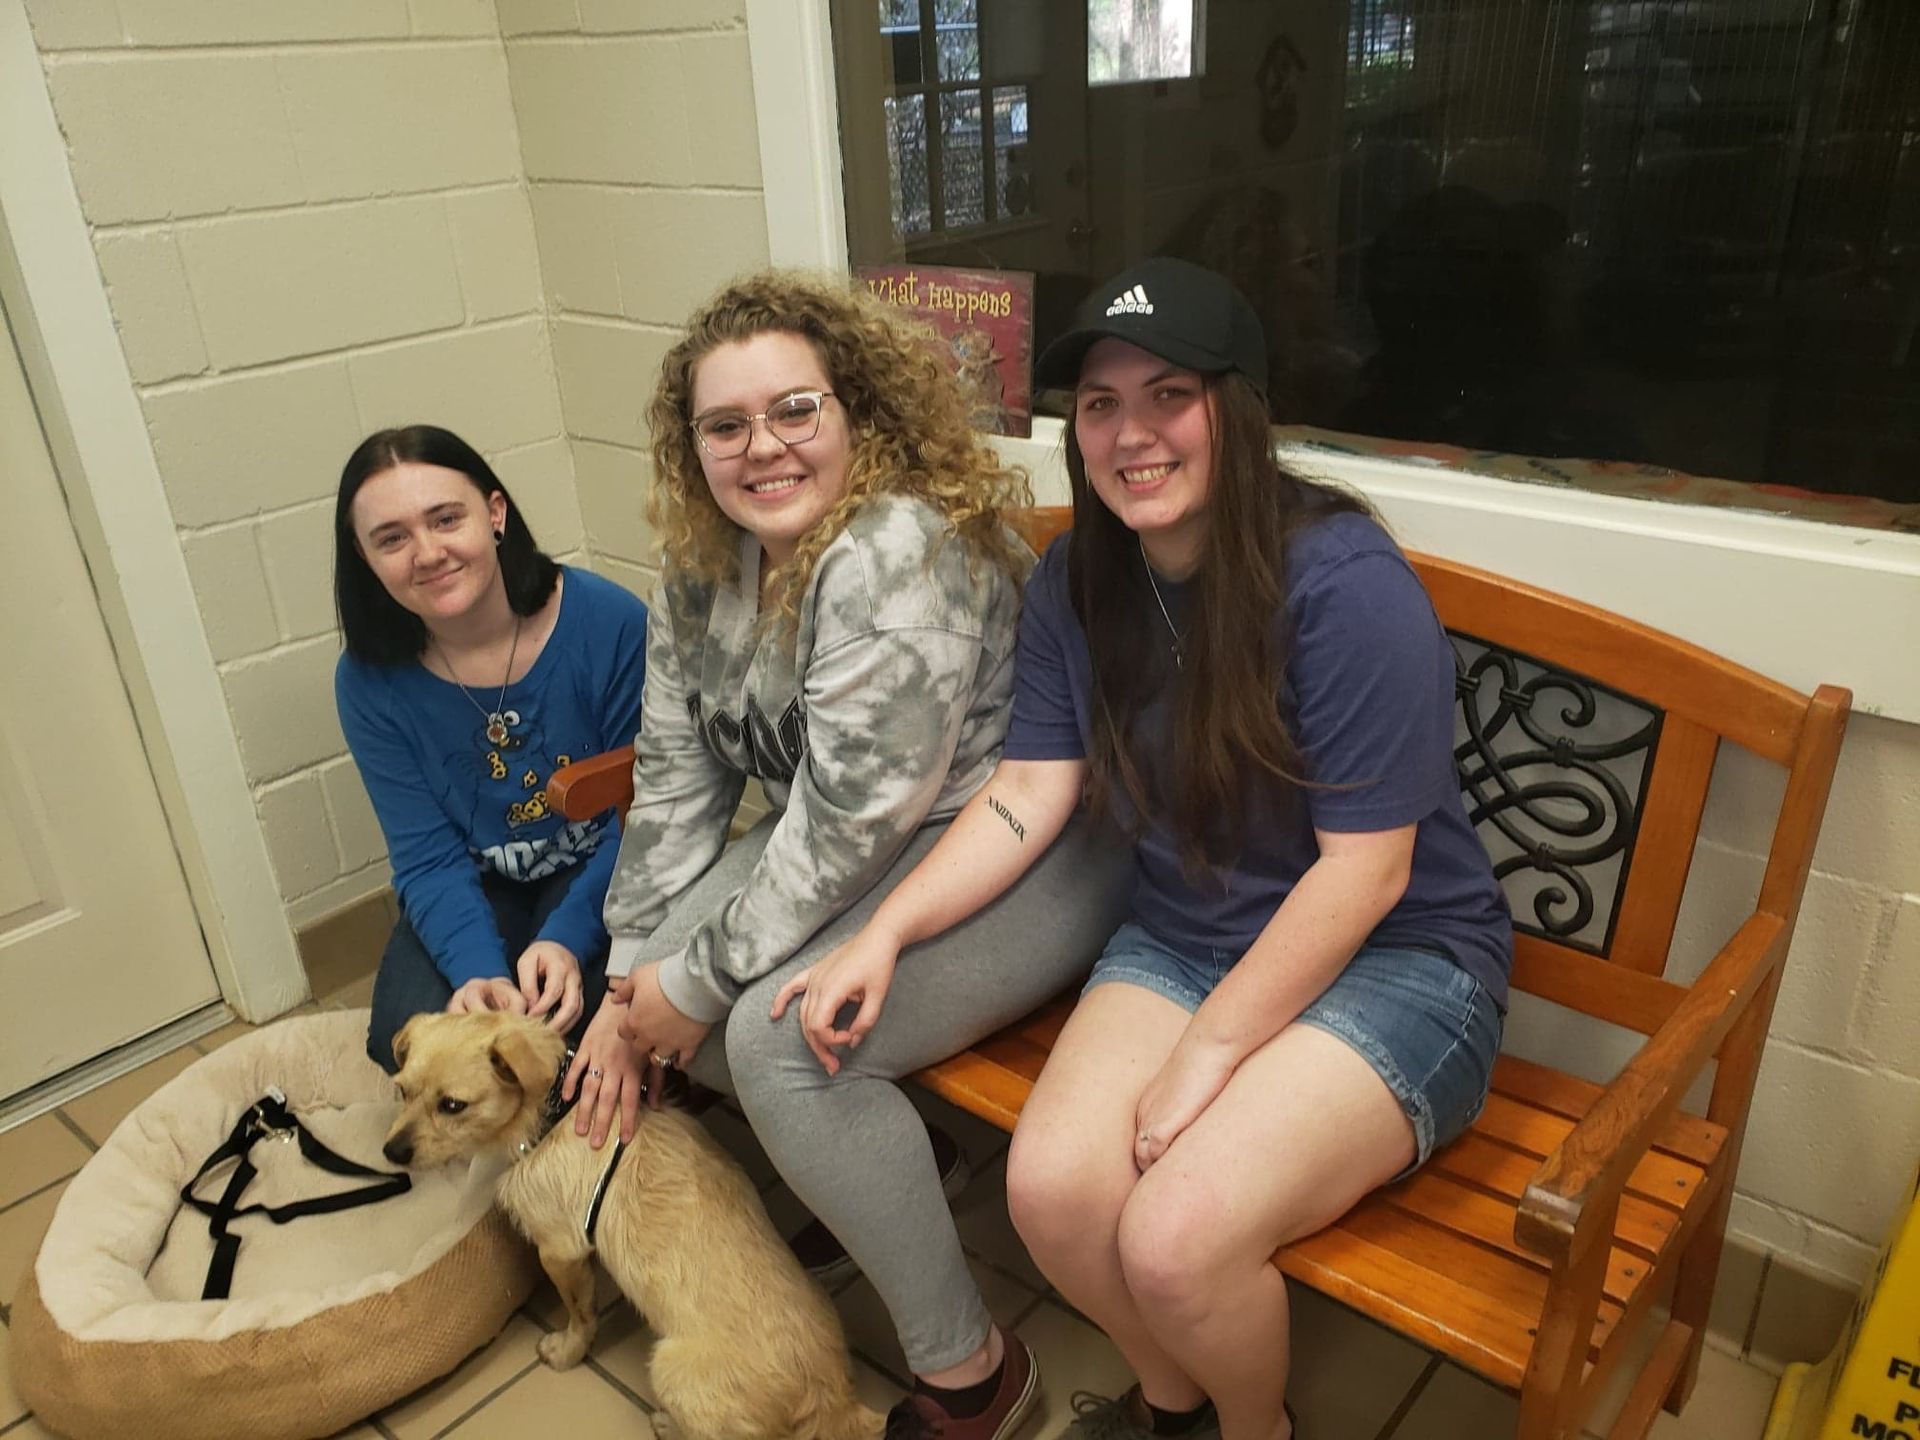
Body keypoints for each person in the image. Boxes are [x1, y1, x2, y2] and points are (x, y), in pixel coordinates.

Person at [804, 258, 1512, 1439]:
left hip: (1402, 962)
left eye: (1168, 395)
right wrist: (887, 931)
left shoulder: (1342, 582)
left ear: (1235, 409)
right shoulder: (1079, 578)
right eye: (1098, 405)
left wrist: (1207, 1055)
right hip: (1185, 938)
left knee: (1176, 1238)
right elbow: (1028, 793)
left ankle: (1254, 1430)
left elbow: (1368, 869)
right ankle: (1173, 1412)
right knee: (1053, 1193)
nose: (1131, 433)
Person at [586, 272, 1131, 1440]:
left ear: (857, 415)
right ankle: (902, 1164)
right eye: (725, 425)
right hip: (868, 838)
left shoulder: (898, 552)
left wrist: (684, 988)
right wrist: (628, 980)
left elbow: (847, 824)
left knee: (777, 1043)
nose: (762, 447)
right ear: (692, 450)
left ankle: (977, 1374)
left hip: (1029, 846)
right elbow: (678, 782)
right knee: (676, 978)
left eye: (797, 411)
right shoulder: (699, 563)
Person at [333, 424, 648, 1080]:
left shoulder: (608, 622)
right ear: (365, 559)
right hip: (481, 883)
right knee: (408, 1030)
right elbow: (425, 857)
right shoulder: (366, 681)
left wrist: (567, 938)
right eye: (391, 538)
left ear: (495, 515)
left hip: (604, 865)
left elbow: (649, 817)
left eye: (447, 519)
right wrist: (476, 971)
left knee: (573, 1026)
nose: (427, 553)